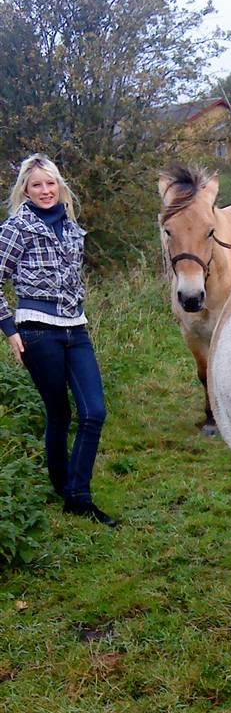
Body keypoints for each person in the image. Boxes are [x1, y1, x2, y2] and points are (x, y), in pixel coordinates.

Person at [0, 154, 117, 526]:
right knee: (59, 413)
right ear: (26, 190)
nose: (45, 190)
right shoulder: (17, 228)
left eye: (50, 183)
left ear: (59, 186)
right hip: (37, 330)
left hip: (75, 328)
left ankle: (74, 492)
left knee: (94, 412)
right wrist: (9, 330)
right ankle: (71, 493)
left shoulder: (70, 226)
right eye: (37, 185)